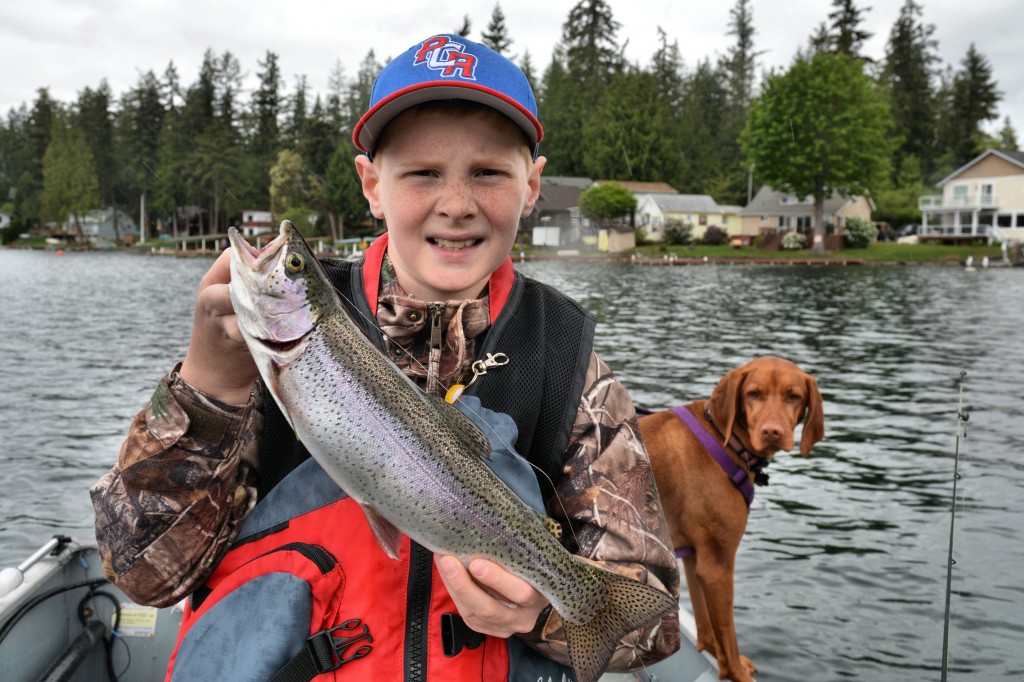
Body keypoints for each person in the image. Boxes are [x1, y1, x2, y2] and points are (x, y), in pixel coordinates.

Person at [91, 33, 680, 681]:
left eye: (487, 172)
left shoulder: (570, 365)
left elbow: (653, 627)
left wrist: (543, 612)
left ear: (532, 186)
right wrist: (207, 388)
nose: (455, 205)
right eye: (423, 173)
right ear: (372, 185)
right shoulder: (256, 353)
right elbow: (143, 575)